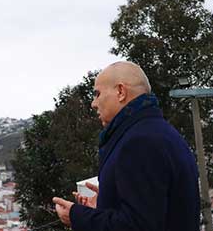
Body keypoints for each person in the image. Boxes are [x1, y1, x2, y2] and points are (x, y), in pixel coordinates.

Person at [52, 61, 200, 230]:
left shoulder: (139, 142)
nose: (94, 103)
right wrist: (107, 202)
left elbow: (137, 225)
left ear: (121, 92)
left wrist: (76, 216)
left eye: (98, 94)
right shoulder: (163, 133)